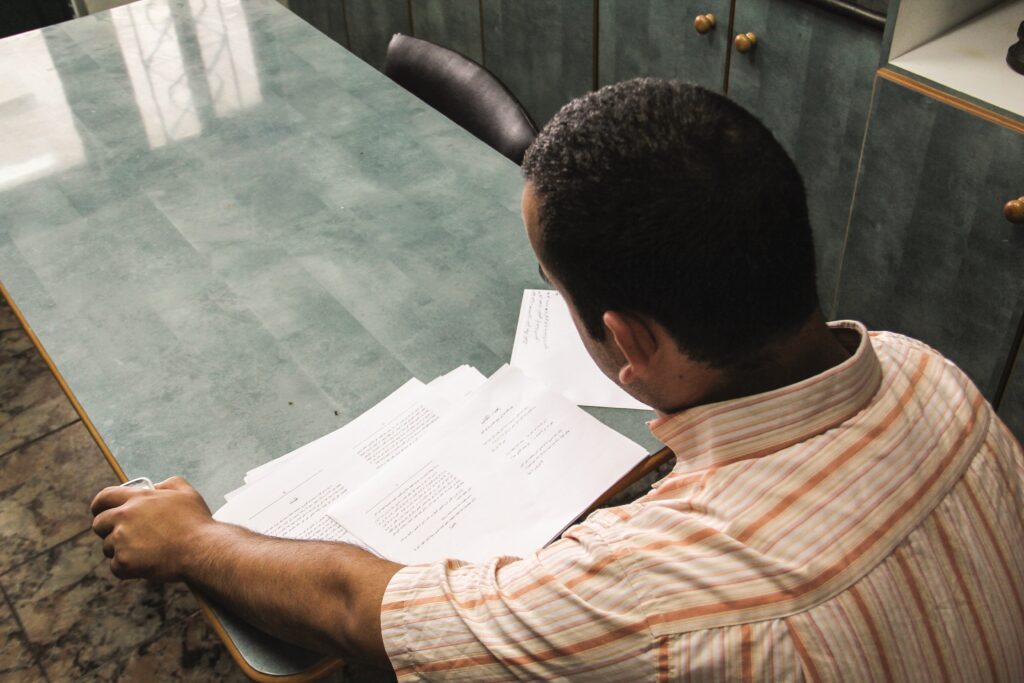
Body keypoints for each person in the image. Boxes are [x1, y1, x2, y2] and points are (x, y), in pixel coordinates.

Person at [91, 79, 1024, 681]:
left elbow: (353, 606)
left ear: (628, 341)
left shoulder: (645, 594)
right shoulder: (930, 370)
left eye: (555, 287)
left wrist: (196, 538)